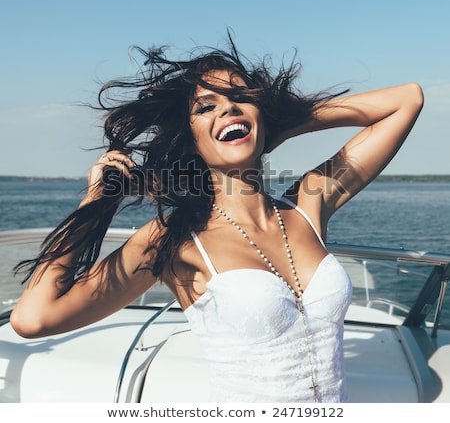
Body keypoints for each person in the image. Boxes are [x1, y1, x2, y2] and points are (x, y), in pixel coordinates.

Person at [10, 38, 423, 403]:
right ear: (190, 138)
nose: (227, 107)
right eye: (206, 107)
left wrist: (280, 122)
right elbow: (33, 319)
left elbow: (407, 100)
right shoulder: (175, 240)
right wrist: (92, 205)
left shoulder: (308, 206)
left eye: (240, 97)